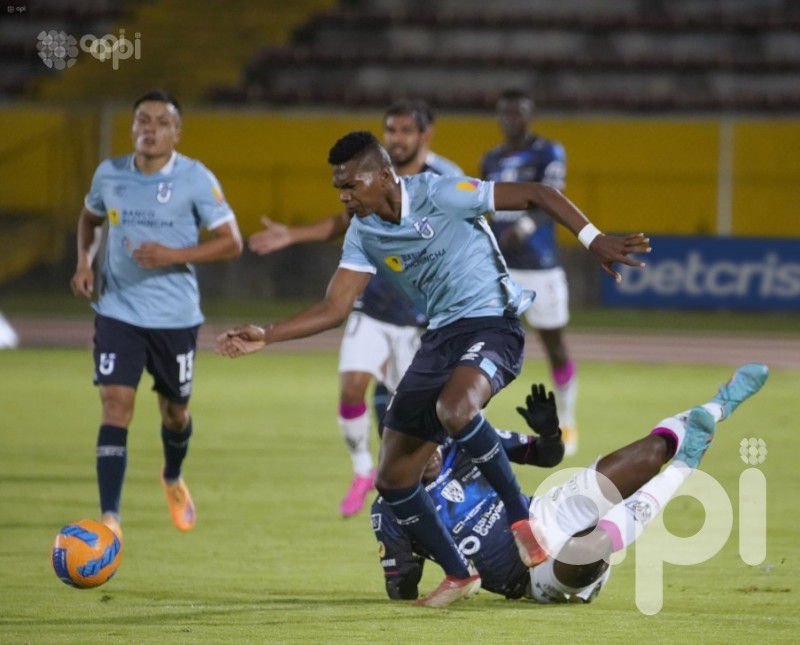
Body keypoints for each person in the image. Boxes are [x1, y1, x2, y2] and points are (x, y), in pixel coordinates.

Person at [216, 130, 649, 608]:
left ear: (384, 176)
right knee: (394, 475)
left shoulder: (441, 191)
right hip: (440, 337)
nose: (344, 196)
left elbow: (536, 193)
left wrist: (592, 239)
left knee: (455, 409)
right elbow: (335, 307)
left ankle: (521, 516)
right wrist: (268, 333)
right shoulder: (362, 232)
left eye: (352, 185)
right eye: (338, 187)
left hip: (493, 322)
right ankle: (459, 574)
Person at [372, 363, 769, 604]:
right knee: (587, 548)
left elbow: (547, 456)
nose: (433, 445)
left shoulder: (461, 439)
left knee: (648, 454)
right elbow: (401, 584)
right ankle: (687, 465)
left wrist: (548, 433)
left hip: (546, 514)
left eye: (433, 432)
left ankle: (721, 403)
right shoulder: (390, 508)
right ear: (395, 447)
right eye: (418, 439)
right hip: (532, 578)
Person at [248, 100, 464, 518]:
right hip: (373, 304)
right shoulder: (366, 179)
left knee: (426, 419)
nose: (396, 138)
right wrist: (293, 234)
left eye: (405, 131)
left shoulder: (444, 180)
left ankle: (443, 489)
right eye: (391, 130)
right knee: (351, 386)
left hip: (420, 318)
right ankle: (362, 468)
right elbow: (344, 223)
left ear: (425, 134)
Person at [70, 89, 243, 540]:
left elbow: (232, 241)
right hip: (118, 311)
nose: (149, 128)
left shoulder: (196, 179)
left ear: (177, 132)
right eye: (141, 120)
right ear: (132, 128)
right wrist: (84, 262)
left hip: (175, 317)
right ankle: (111, 517)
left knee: (175, 414)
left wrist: (172, 253)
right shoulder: (109, 174)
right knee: (115, 404)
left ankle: (171, 476)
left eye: (160, 122)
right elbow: (89, 218)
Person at [480, 88, 580, 456]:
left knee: (554, 345)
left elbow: (552, 199)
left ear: (529, 114)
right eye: (505, 113)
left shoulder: (548, 152)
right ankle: (474, 421)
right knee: (485, 343)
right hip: (501, 269)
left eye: (518, 112)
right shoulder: (489, 159)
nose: (511, 119)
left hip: (540, 266)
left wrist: (522, 227)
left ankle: (567, 420)